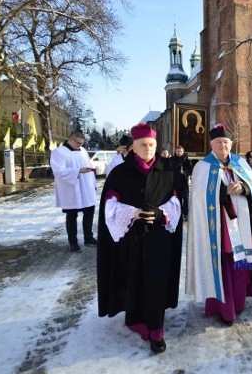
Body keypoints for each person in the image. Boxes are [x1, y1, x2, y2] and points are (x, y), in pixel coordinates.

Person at [97, 122, 182, 354]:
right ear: (133, 146)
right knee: (133, 276)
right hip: (131, 238)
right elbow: (110, 204)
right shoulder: (119, 172)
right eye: (143, 144)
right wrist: (132, 213)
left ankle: (156, 330)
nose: (148, 148)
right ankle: (135, 319)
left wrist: (160, 213)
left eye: (152, 144)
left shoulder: (168, 170)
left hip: (159, 237)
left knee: (156, 280)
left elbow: (176, 200)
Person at [186, 124, 252, 326]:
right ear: (211, 145)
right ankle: (224, 308)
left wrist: (243, 187)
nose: (222, 145)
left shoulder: (240, 162)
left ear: (231, 144)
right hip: (218, 229)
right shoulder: (202, 166)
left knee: (240, 265)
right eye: (218, 142)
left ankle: (238, 303)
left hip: (243, 226)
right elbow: (198, 197)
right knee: (222, 265)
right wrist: (222, 192)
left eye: (225, 142)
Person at [50, 131, 98, 252]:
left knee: (89, 211)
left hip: (86, 186)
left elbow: (89, 165)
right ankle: (73, 242)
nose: (80, 145)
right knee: (72, 215)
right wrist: (77, 171)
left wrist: (93, 183)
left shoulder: (83, 151)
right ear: (70, 139)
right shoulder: (59, 152)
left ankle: (89, 237)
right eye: (78, 143)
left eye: (82, 143)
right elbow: (58, 171)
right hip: (71, 188)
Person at [170, 145, 192, 220]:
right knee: (178, 198)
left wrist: (188, 162)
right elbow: (174, 167)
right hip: (176, 182)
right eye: (178, 151)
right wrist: (181, 160)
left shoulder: (185, 159)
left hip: (184, 181)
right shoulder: (172, 159)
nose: (179, 153)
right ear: (175, 152)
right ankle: (178, 213)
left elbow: (190, 169)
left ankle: (185, 213)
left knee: (186, 197)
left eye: (181, 151)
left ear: (183, 152)